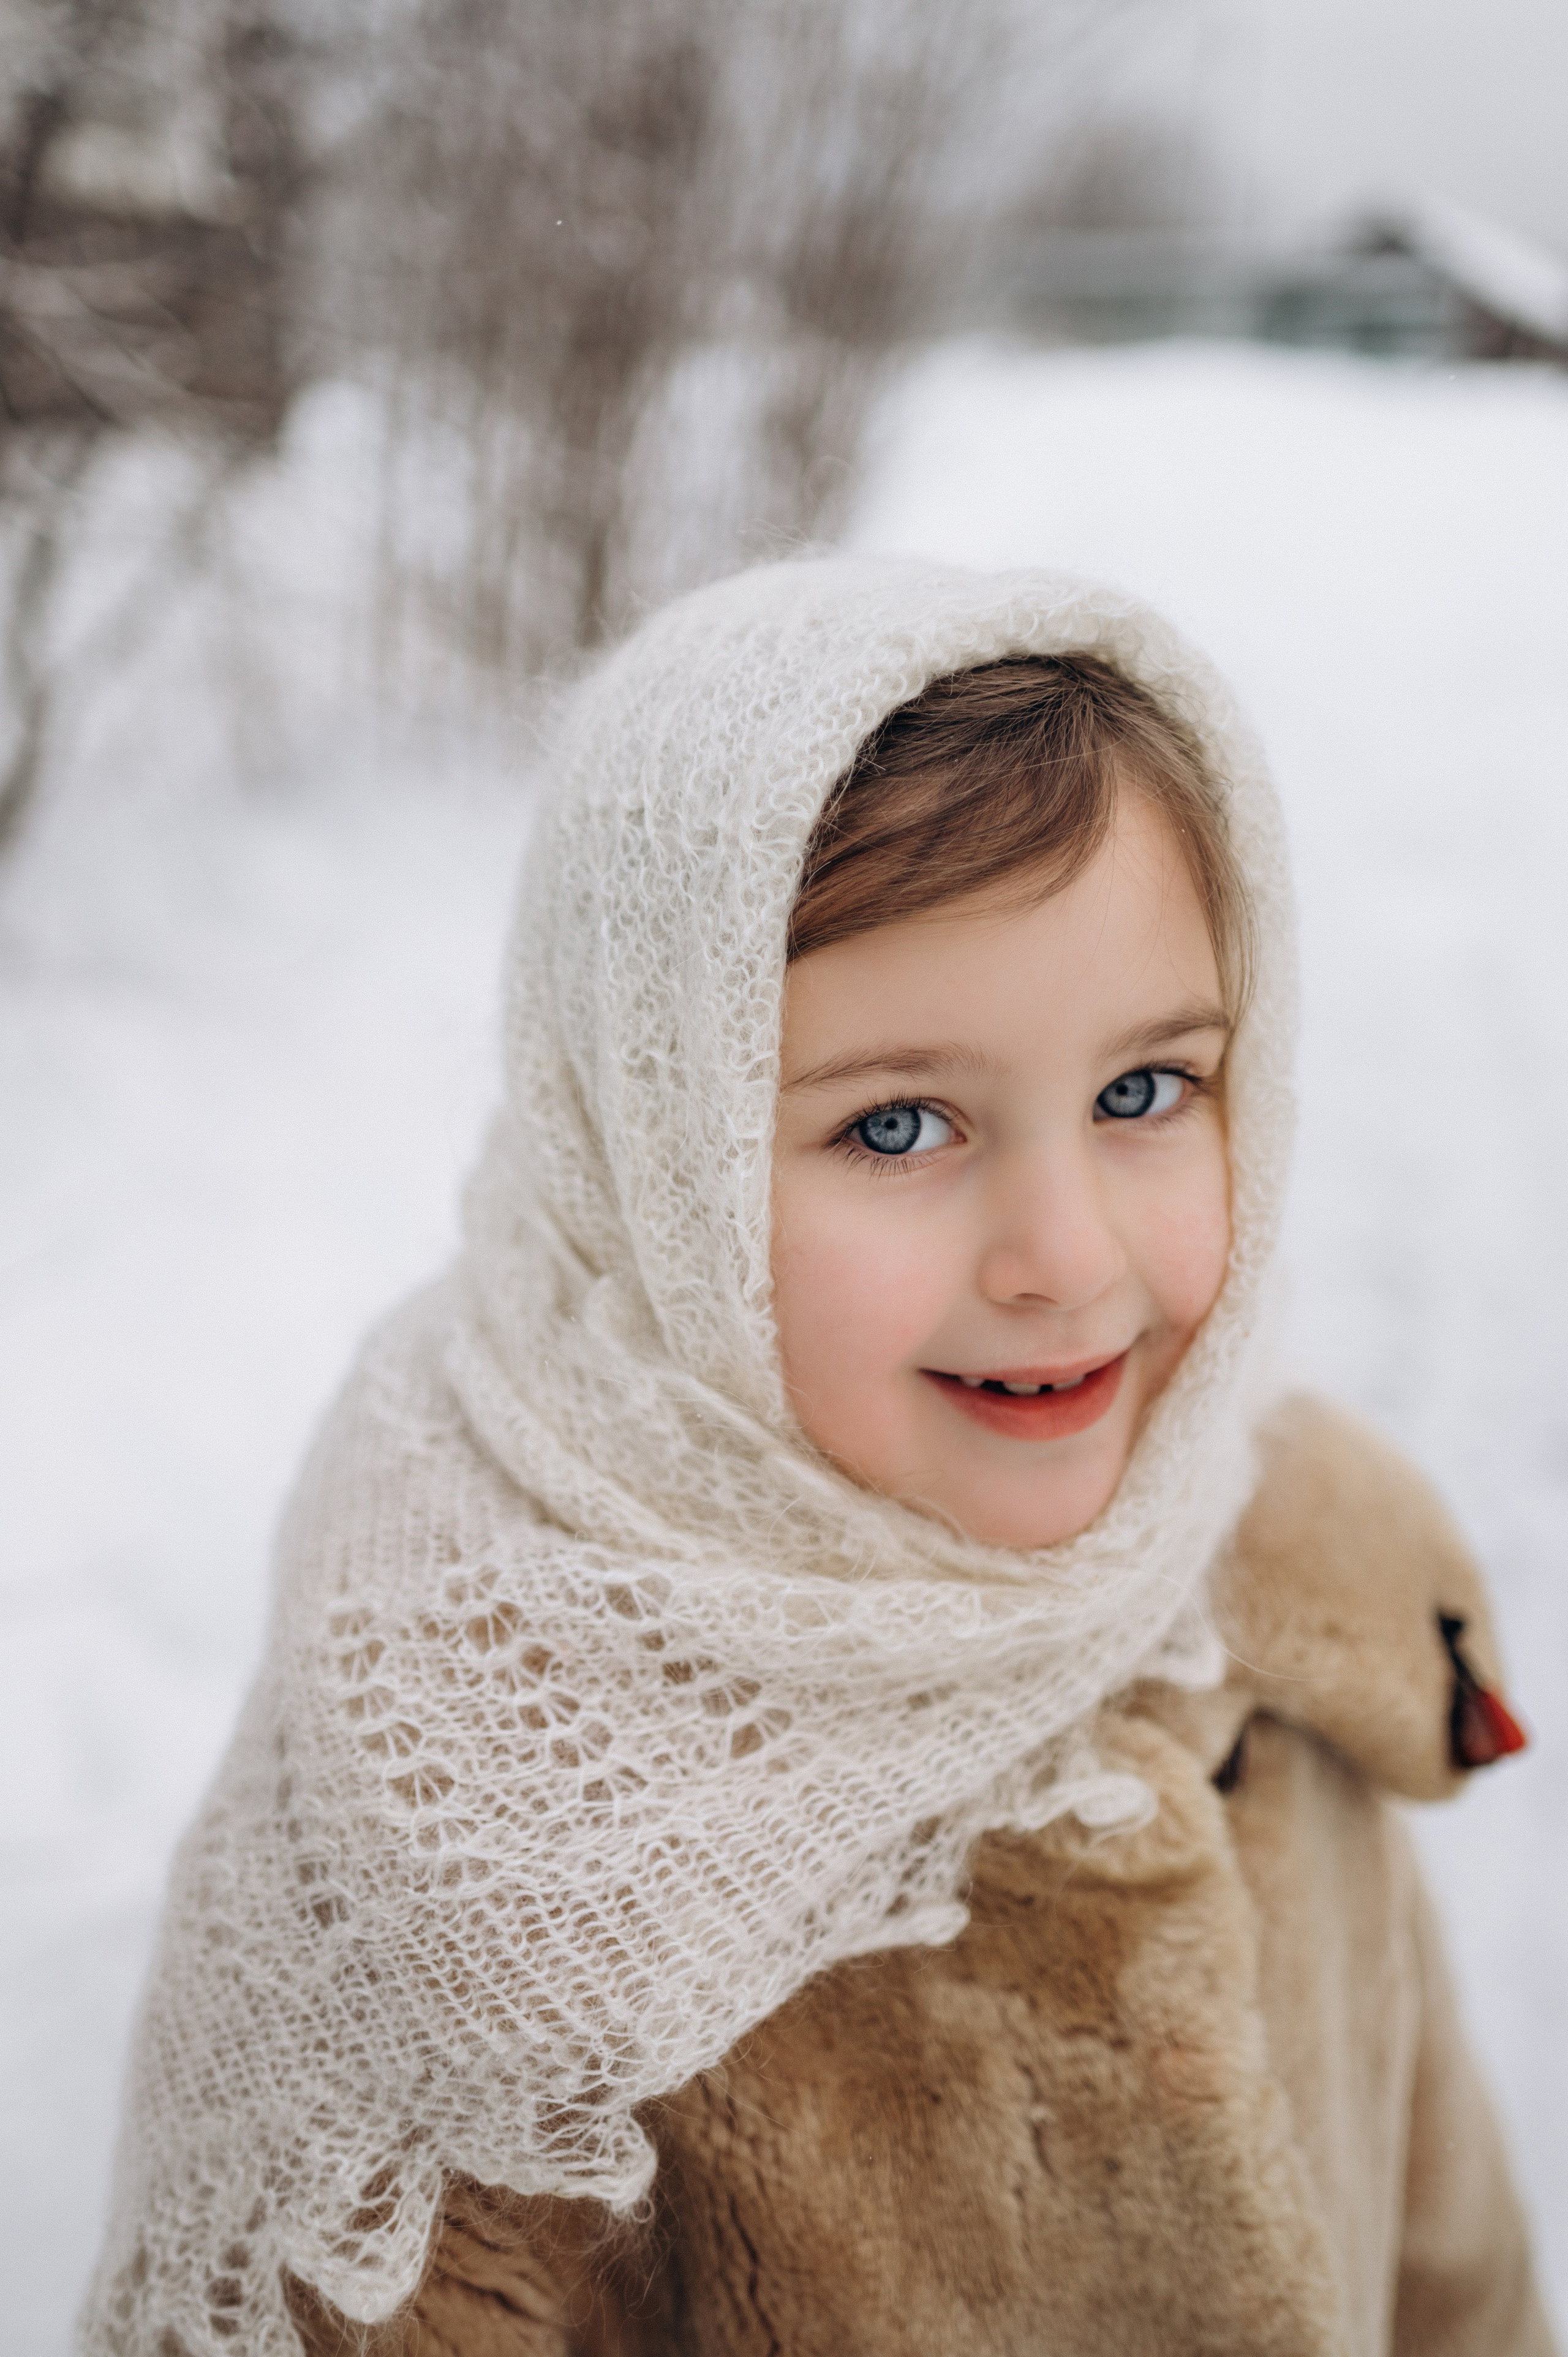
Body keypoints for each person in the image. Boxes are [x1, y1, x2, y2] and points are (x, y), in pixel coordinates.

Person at [83, 558, 1553, 2356]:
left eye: (1146, 1092)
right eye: (901, 1123)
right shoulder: (469, 1889)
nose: (1067, 1259)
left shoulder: (1273, 1577)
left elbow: (1451, 2260)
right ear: (651, 1141)